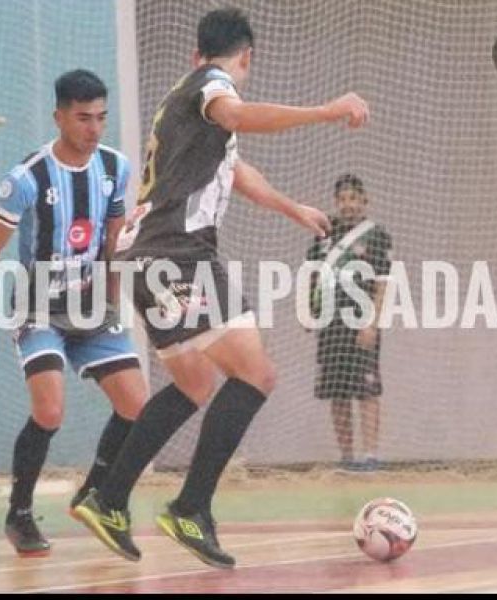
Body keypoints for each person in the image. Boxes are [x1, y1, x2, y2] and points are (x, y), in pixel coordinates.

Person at [71, 7, 369, 569]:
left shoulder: (184, 98)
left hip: (142, 254)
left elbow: (232, 169)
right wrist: (327, 110)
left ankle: (107, 497)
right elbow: (235, 114)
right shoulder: (214, 86)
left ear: (195, 51)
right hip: (176, 254)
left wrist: (290, 208)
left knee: (194, 384)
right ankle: (189, 507)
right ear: (246, 57)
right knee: (257, 374)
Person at [0, 69, 147, 557]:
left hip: (93, 308)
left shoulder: (115, 167)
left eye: (100, 117)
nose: (94, 128)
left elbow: (113, 243)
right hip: (39, 309)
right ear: (59, 117)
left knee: (139, 407)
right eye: (82, 118)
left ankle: (93, 494)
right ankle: (18, 514)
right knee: (50, 410)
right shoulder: (26, 178)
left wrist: (113, 300)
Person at [307, 174, 392, 473]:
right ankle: (347, 456)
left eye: (353, 198)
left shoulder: (377, 236)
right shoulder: (323, 233)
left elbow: (383, 284)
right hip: (330, 324)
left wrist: (372, 323)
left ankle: (370, 455)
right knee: (337, 391)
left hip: (361, 323)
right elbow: (312, 275)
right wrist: (308, 311)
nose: (348, 205)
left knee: (367, 390)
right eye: (342, 199)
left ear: (364, 201)